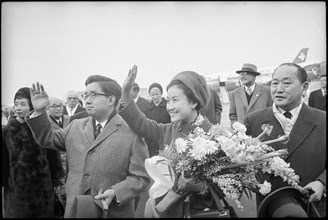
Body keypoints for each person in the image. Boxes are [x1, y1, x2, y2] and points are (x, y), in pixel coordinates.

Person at [26, 76, 150, 218]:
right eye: (86, 95)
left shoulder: (132, 132)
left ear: (111, 100)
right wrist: (41, 112)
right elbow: (47, 139)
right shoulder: (75, 126)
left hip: (112, 212)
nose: (87, 100)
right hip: (76, 209)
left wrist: (116, 192)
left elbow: (141, 177)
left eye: (94, 95)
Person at [118, 65, 232, 218]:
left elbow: (228, 185)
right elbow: (142, 124)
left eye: (175, 100)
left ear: (194, 102)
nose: (169, 107)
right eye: (168, 100)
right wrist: (125, 94)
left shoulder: (213, 136)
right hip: (165, 208)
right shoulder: (168, 129)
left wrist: (199, 187)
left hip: (198, 212)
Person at [244, 63, 326, 217]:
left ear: (304, 87)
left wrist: (322, 182)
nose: (278, 89)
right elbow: (242, 166)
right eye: (275, 83)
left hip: (314, 206)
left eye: (287, 83)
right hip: (270, 208)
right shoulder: (252, 121)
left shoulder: (323, 121)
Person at [2, 87, 65, 218]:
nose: (18, 108)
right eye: (16, 104)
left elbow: (53, 155)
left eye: (23, 104)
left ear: (32, 105)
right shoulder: (6, 131)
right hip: (17, 191)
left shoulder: (40, 128)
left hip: (43, 188)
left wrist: (57, 179)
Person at [47, 97, 71, 212]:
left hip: (72, 163)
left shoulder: (70, 119)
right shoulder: (45, 123)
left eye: (60, 106)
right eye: (54, 106)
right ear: (48, 108)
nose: (58, 109)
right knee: (63, 194)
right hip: (58, 164)